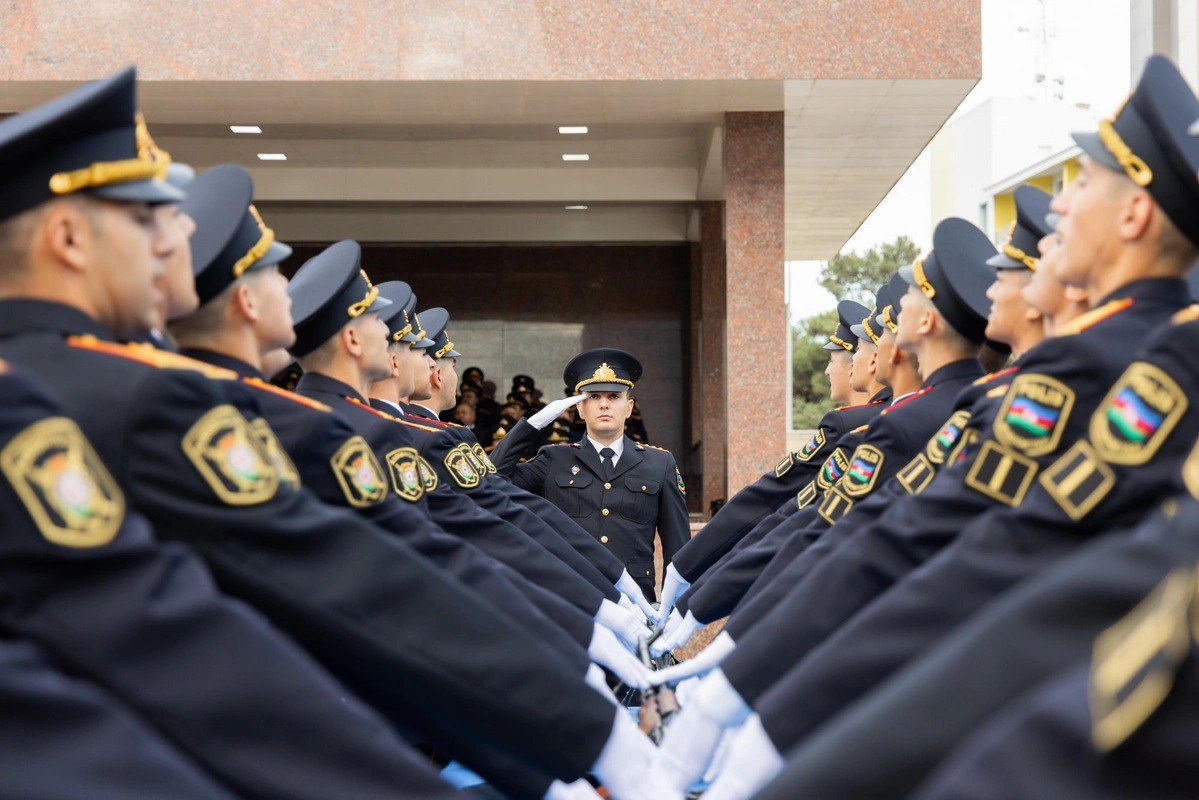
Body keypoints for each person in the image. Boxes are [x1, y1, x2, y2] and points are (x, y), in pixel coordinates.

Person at [0, 69, 655, 800]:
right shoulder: (145, 399)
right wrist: (576, 736)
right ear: (66, 236)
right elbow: (300, 608)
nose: (176, 233)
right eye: (147, 216)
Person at [491, 348, 691, 600]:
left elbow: (678, 546)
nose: (604, 403)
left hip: (635, 604)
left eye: (614, 396)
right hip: (568, 603)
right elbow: (492, 479)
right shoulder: (554, 459)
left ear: (629, 407)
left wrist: (676, 607)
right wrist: (534, 424)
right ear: (581, 409)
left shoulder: (659, 464)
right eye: (594, 396)